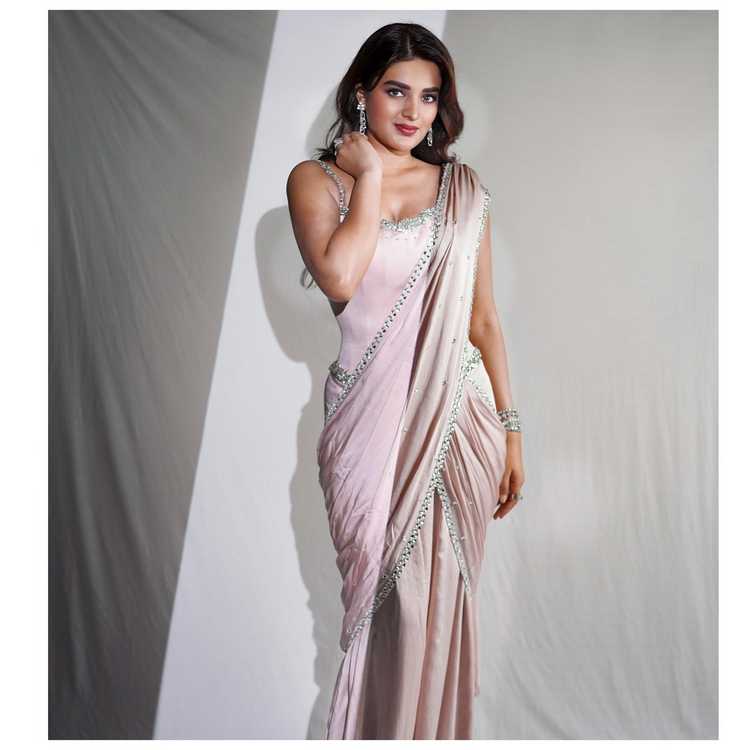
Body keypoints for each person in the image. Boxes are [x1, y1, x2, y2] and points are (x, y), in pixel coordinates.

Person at [286, 22, 525, 740]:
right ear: (362, 93)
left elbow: (482, 318)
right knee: (386, 610)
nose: (414, 111)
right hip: (367, 424)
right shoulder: (317, 182)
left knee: (437, 613)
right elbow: (340, 276)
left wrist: (512, 430)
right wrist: (369, 178)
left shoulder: (463, 191)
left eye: (429, 96)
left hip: (459, 424)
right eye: (397, 91)